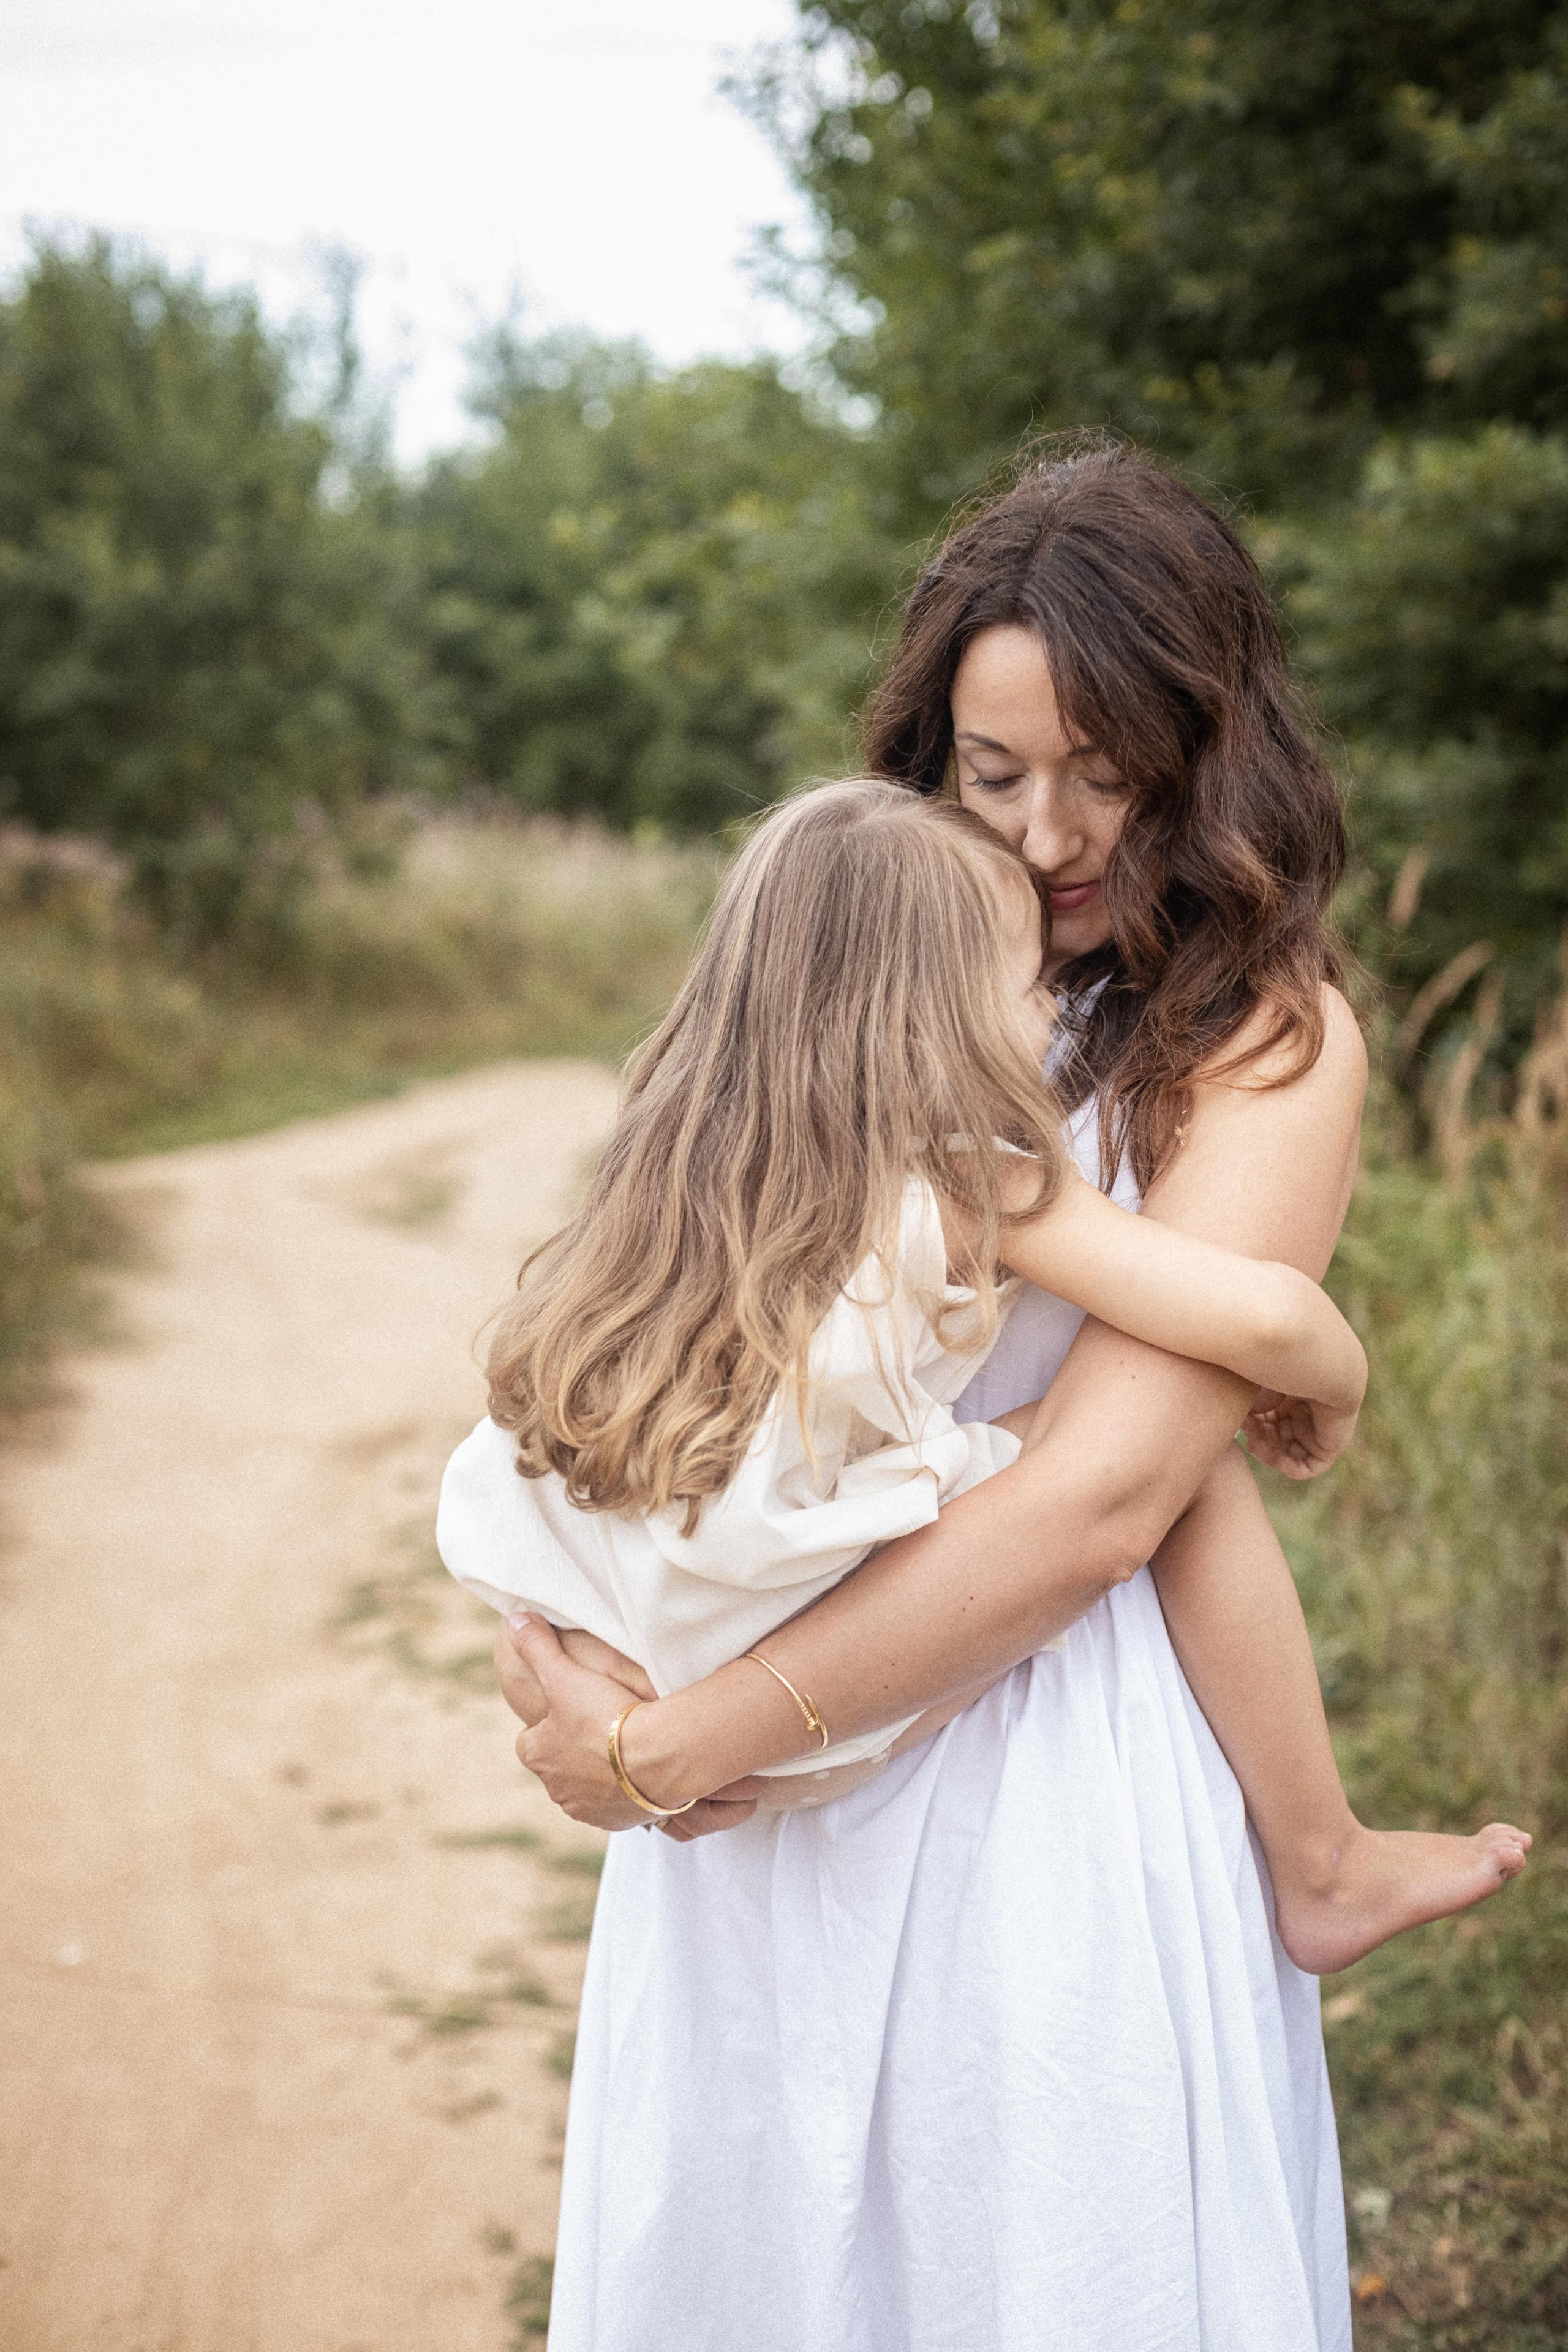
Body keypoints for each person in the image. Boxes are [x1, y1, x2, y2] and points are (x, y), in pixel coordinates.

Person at [488, 443, 1528, 2352]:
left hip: (1039, 1786)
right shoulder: (854, 983)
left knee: (1031, 2263)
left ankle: (1314, 1864)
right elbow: (662, 1353)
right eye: (994, 776)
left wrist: (681, 1745)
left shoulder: (1259, 1042)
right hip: (770, 1791)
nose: (1049, 835)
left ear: (1211, 761)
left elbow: (1110, 1501)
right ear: (924, 758)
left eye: (1109, 776)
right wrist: (581, 1655)